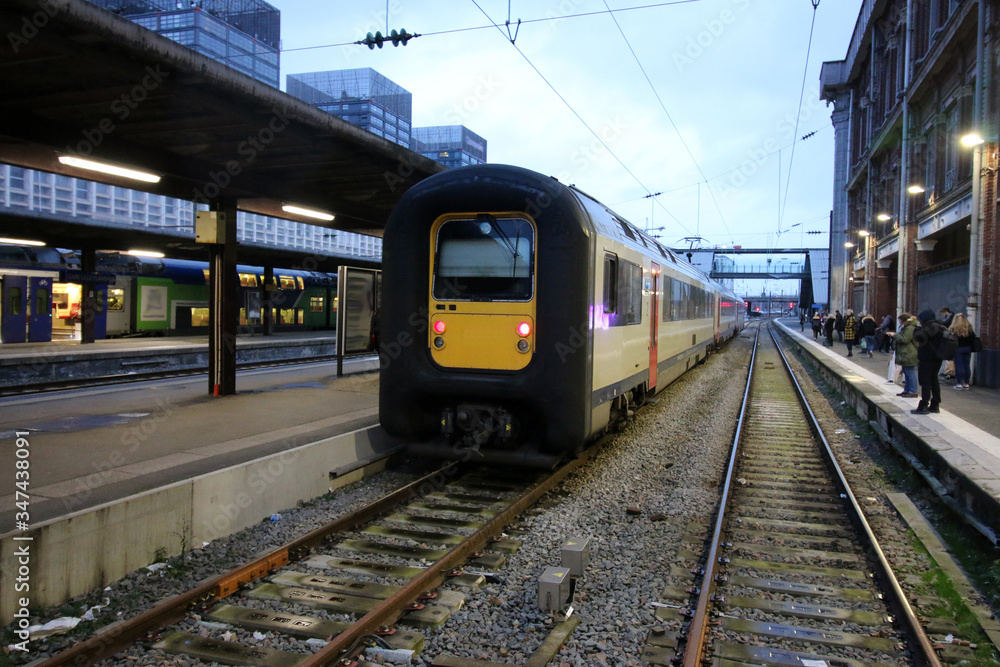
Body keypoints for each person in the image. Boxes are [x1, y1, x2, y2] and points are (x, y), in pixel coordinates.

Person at [912, 309, 945, 414]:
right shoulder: (940, 327)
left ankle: (923, 405)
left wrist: (917, 327)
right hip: (937, 358)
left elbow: (918, 337)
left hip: (927, 358)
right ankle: (935, 404)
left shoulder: (931, 327)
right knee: (934, 380)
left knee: (925, 382)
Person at [893, 313, 919, 398]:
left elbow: (905, 339)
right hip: (906, 352)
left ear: (903, 320)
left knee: (910, 372)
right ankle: (907, 390)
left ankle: (913, 391)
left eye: (899, 319)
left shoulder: (910, 328)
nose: (898, 321)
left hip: (909, 352)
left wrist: (894, 335)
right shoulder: (908, 327)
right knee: (906, 371)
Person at [950, 313, 975, 390]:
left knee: (959, 365)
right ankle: (966, 383)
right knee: (966, 365)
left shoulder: (954, 328)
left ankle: (959, 383)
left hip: (958, 348)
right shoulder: (969, 327)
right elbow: (973, 338)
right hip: (967, 348)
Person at [938, 307, 955, 381]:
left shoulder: (951, 318)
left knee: (949, 358)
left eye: (942, 313)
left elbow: (946, 325)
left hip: (949, 339)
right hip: (949, 339)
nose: (942, 315)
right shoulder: (950, 318)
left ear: (945, 312)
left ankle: (950, 372)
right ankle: (948, 372)